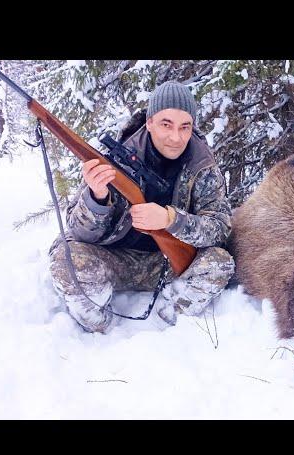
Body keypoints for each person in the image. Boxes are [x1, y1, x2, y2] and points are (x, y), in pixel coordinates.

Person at [48, 81, 234, 333]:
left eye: (184, 127)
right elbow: (79, 233)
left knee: (220, 263)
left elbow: (220, 229)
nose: (175, 137)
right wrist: (97, 197)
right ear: (149, 122)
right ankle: (100, 331)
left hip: (167, 265)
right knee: (67, 259)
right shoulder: (116, 161)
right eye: (166, 124)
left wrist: (171, 219)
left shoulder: (202, 165)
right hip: (115, 258)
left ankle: (172, 319)